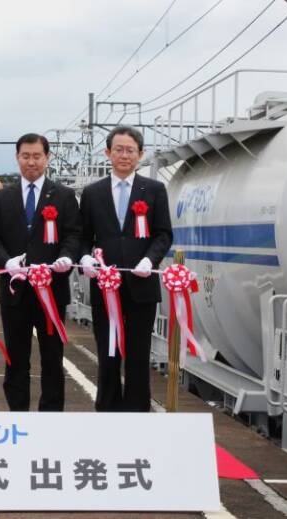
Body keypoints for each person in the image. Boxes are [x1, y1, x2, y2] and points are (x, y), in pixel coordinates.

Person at [0, 133, 81, 411]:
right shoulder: (3, 197)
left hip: (52, 289)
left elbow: (73, 234)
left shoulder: (63, 196)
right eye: (25, 156)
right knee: (16, 356)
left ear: (47, 158)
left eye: (37, 156)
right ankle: (18, 415)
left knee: (52, 356)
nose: (31, 162)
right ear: (17, 158)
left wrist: (65, 257)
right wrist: (6, 262)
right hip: (15, 292)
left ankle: (50, 415)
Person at [80, 126, 172, 412]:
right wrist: (85, 259)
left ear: (140, 155)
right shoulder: (93, 193)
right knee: (107, 353)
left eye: (130, 150)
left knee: (137, 354)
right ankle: (106, 411)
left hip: (141, 287)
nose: (124, 155)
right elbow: (82, 236)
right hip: (104, 286)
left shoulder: (154, 190)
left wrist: (150, 260)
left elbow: (163, 234)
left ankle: (137, 414)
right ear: (107, 153)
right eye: (118, 149)